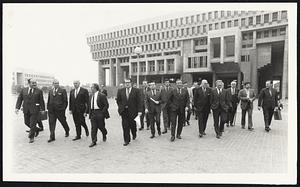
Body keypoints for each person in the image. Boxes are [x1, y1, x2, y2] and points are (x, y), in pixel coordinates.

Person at [15, 78, 45, 143]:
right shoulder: (24, 90)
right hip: (26, 109)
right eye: (33, 83)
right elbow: (20, 99)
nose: (34, 84)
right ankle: (36, 130)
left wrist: (42, 109)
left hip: (35, 110)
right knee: (26, 122)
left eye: (35, 83)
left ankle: (31, 137)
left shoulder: (39, 91)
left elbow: (41, 100)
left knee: (32, 123)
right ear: (29, 83)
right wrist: (17, 108)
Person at [116, 78, 142, 146]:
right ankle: (126, 140)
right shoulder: (120, 91)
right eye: (126, 82)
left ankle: (134, 133)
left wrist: (139, 111)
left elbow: (139, 101)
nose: (127, 84)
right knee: (125, 126)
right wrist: (120, 108)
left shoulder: (136, 91)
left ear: (131, 83)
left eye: (128, 82)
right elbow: (118, 101)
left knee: (132, 125)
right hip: (124, 112)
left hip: (133, 111)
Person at [88, 83, 109, 147]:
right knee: (93, 127)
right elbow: (89, 105)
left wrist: (102, 113)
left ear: (95, 88)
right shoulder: (91, 95)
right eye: (90, 87)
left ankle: (104, 133)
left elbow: (106, 105)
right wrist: (86, 112)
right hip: (92, 113)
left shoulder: (102, 95)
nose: (91, 89)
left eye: (92, 87)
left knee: (101, 126)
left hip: (100, 112)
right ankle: (94, 141)